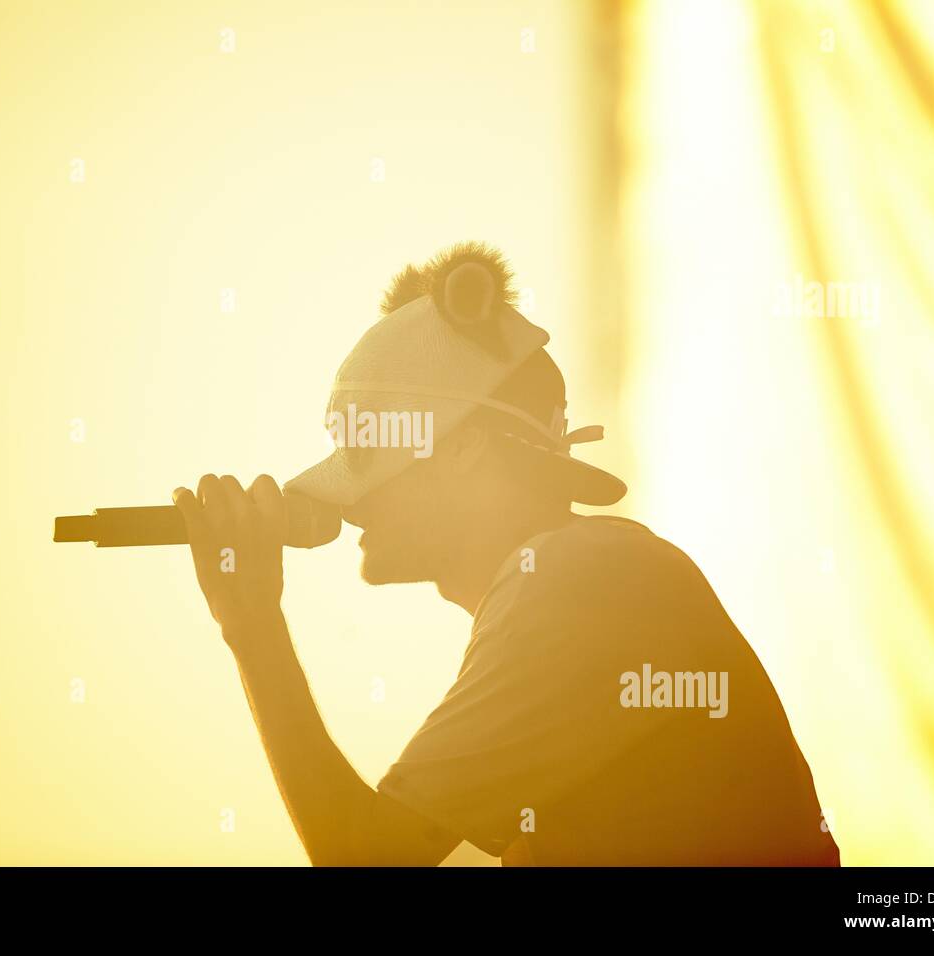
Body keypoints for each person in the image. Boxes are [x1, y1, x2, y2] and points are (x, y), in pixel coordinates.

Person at [171, 241, 840, 866]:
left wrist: (252, 625)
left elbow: (362, 852)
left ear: (463, 449)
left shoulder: (577, 580)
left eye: (366, 456)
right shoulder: (578, 575)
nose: (350, 501)